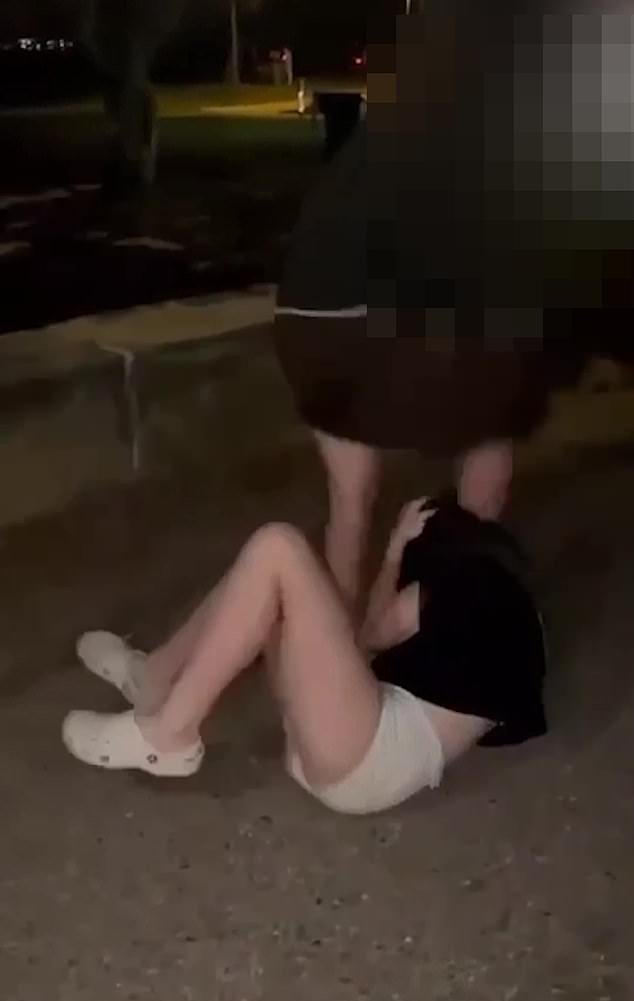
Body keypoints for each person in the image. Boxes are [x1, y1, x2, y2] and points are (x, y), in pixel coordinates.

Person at [274, 2, 634, 611]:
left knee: (351, 502)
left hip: (306, 324)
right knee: (497, 418)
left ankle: (336, 648)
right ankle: (457, 609)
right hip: (376, 326)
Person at [62, 493, 547, 816]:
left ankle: (169, 735)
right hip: (356, 755)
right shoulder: (508, 615)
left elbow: (372, 635)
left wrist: (396, 551)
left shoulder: (462, 585)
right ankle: (154, 678)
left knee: (279, 547)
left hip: (370, 756)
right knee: (265, 577)